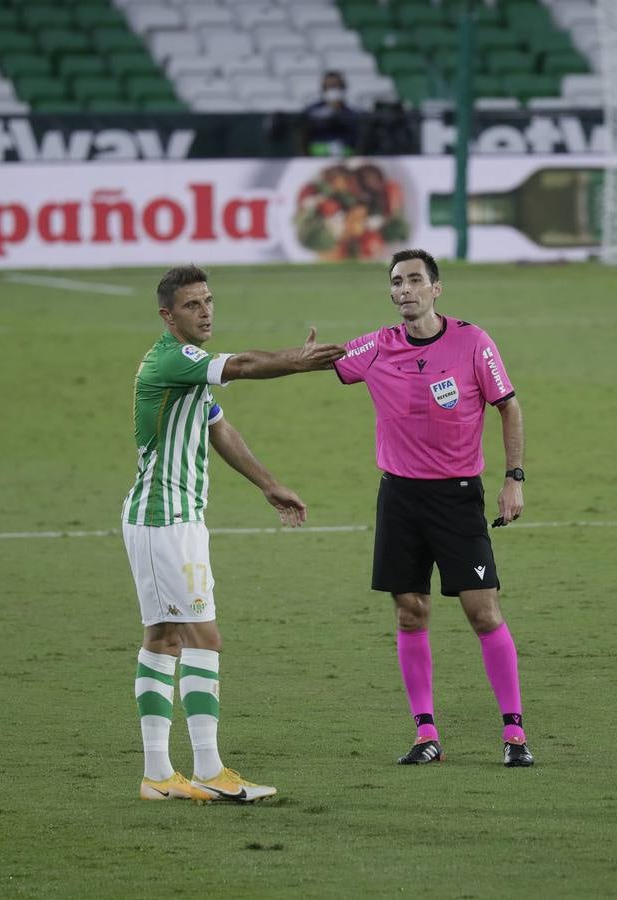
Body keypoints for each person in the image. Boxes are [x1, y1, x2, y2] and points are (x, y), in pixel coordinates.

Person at [125, 264, 345, 803]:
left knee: (164, 637)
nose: (205, 313)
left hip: (165, 520)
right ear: (167, 315)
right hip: (165, 520)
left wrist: (269, 485)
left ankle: (158, 775)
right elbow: (244, 365)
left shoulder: (189, 371)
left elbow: (217, 425)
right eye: (192, 305)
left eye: (208, 301)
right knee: (204, 637)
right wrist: (296, 361)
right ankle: (210, 770)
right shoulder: (173, 360)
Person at [333, 248, 534, 768]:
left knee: (482, 611)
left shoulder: (473, 341)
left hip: (458, 496)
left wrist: (513, 479)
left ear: (436, 288)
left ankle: (514, 733)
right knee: (410, 610)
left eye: (414, 280)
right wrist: (257, 365)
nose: (404, 289)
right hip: (400, 497)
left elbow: (508, 405)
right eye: (396, 281)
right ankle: (426, 733)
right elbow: (325, 359)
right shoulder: (377, 346)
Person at [300, 70, 359, 157]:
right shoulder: (311, 111)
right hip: (316, 156)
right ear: (323, 90)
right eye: (329, 87)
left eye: (336, 87)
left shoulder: (353, 114)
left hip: (345, 156)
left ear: (343, 88)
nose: (333, 90)